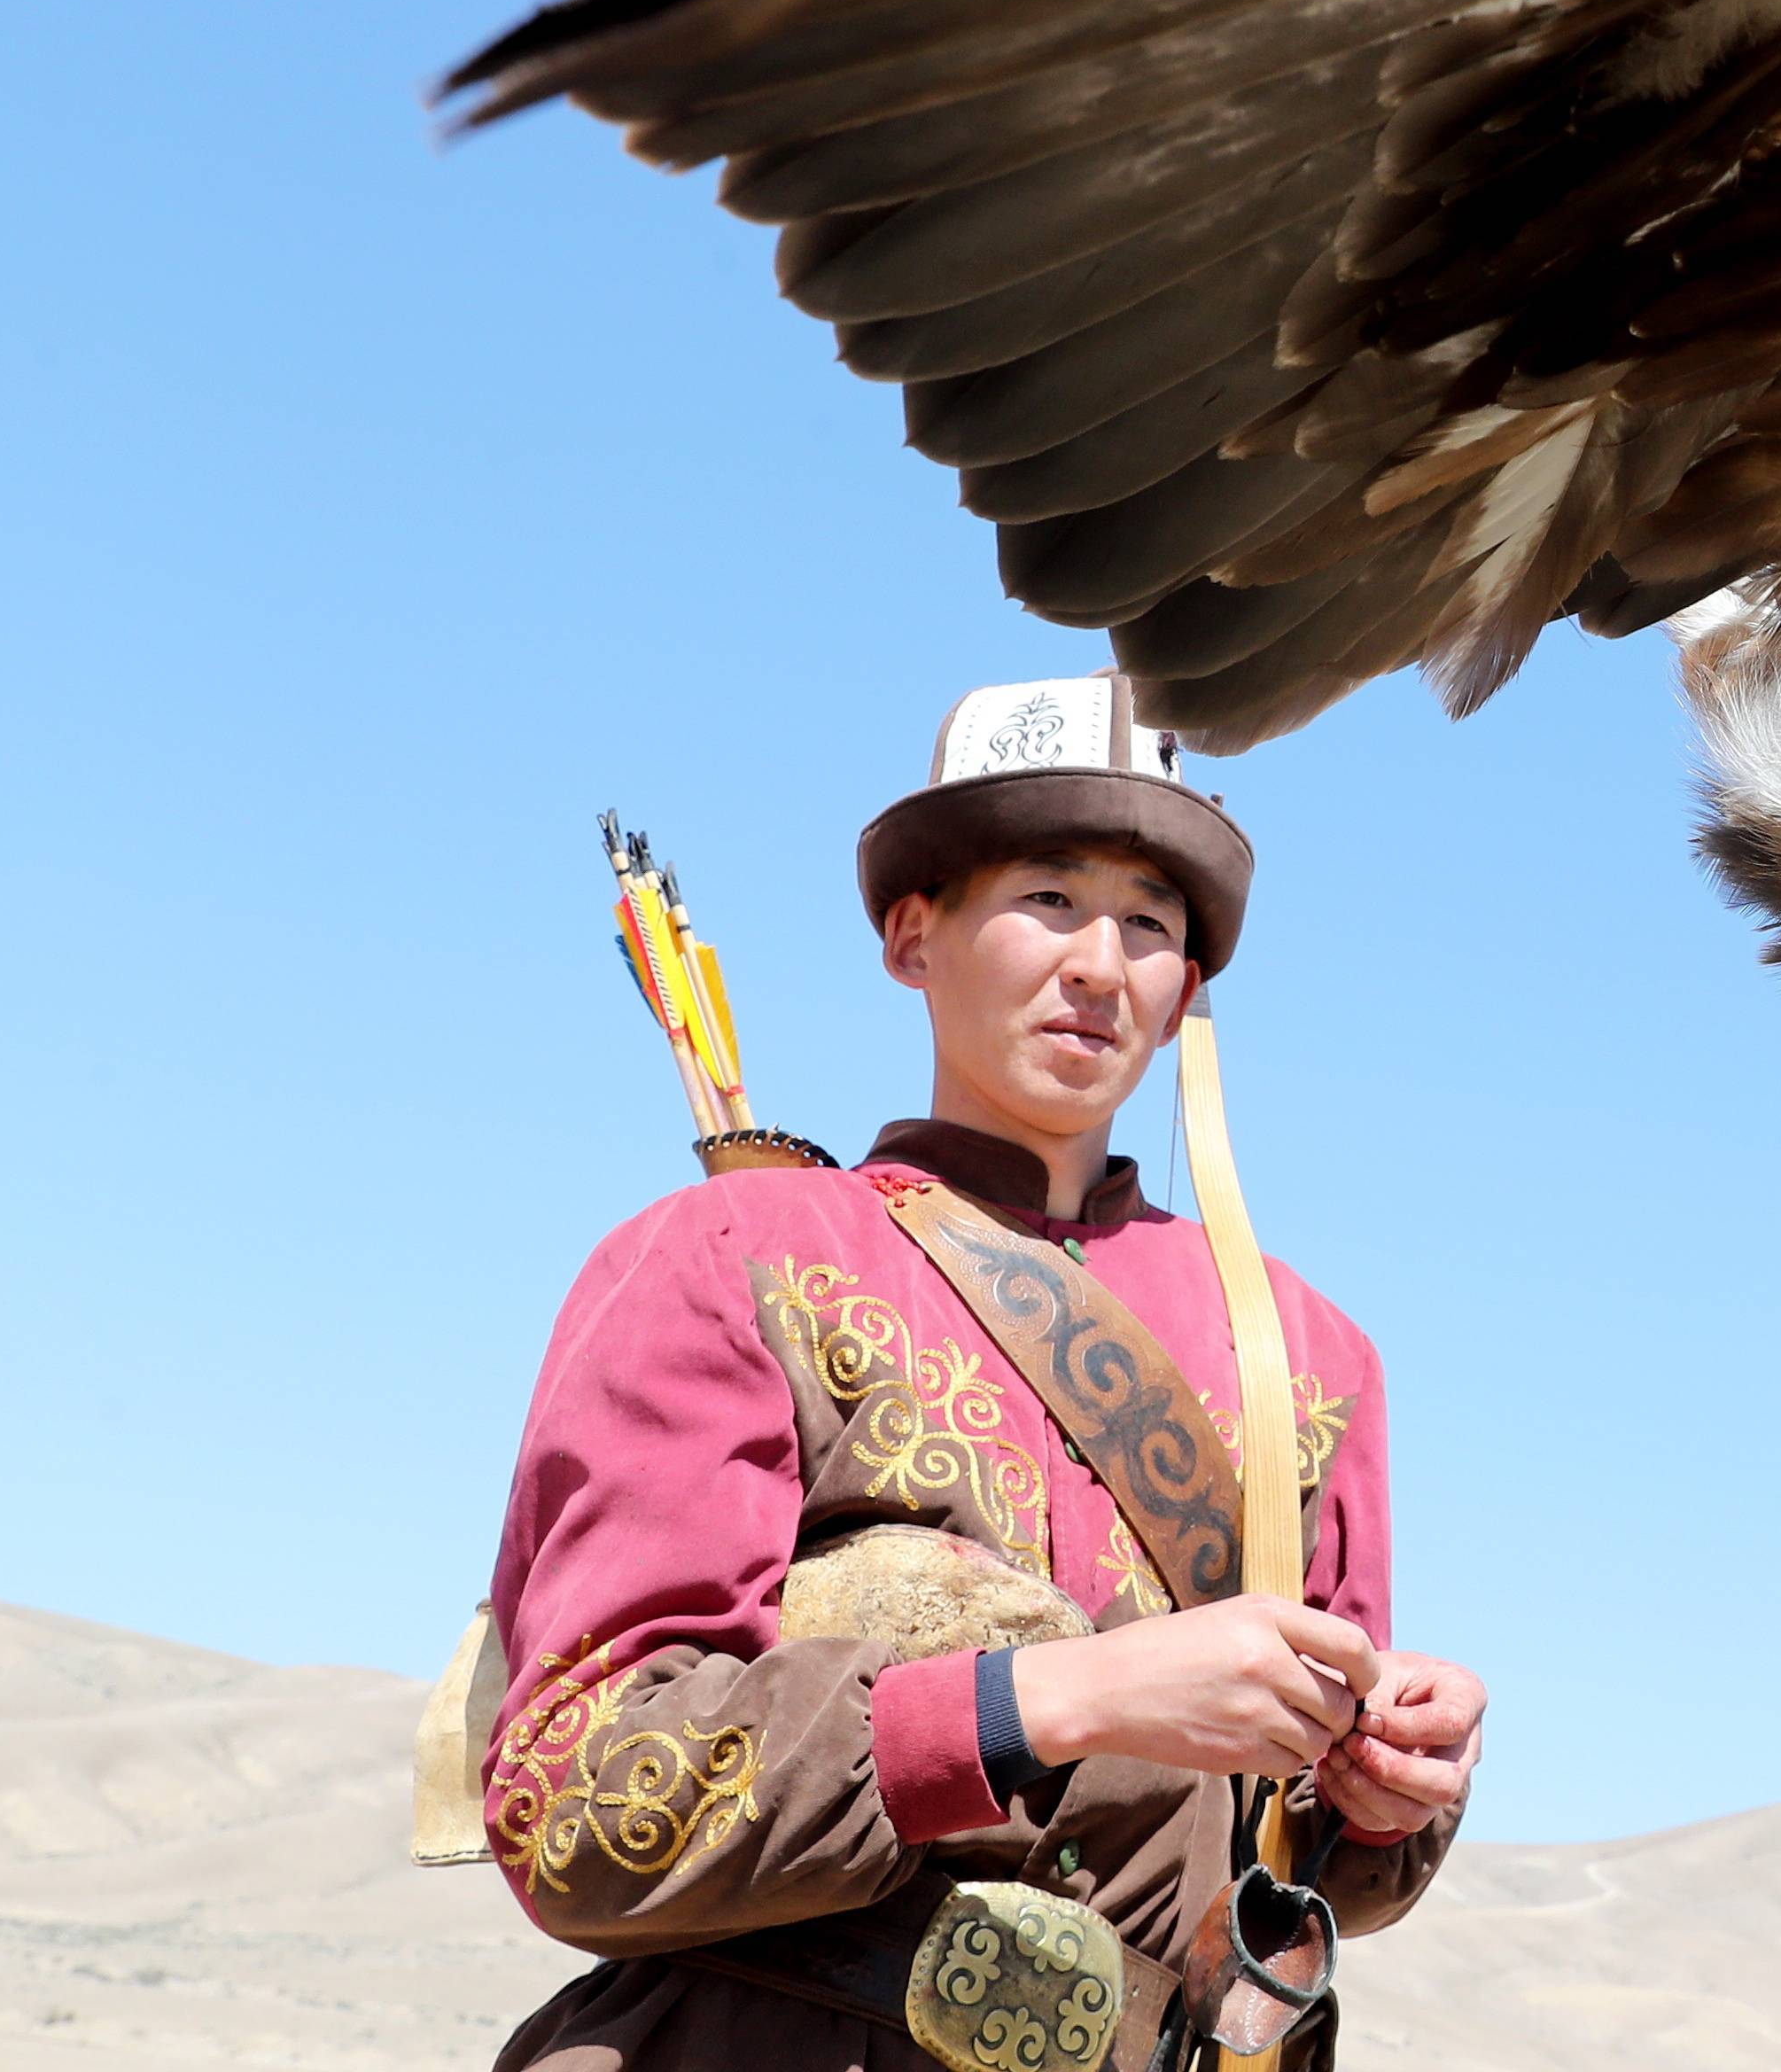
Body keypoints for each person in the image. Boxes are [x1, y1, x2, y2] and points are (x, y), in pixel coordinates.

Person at [476, 673, 1482, 2072]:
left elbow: (1302, 1864)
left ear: (1187, 987)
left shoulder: (1308, 1359)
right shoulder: (733, 1254)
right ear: (912, 934)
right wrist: (1059, 1700)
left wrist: (1384, 1788)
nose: (1098, 963)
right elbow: (578, 1799)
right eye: (1049, 900)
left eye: (1149, 924)